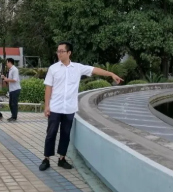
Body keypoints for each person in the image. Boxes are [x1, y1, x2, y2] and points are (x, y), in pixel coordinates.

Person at [39, 42, 123, 171]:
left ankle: (62, 159)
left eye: (61, 51)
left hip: (69, 109)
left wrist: (111, 74)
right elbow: (48, 88)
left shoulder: (78, 68)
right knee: (51, 133)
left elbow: (95, 70)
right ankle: (46, 159)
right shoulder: (53, 68)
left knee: (66, 134)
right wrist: (47, 106)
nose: (59, 53)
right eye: (58, 51)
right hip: (55, 108)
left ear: (69, 53)